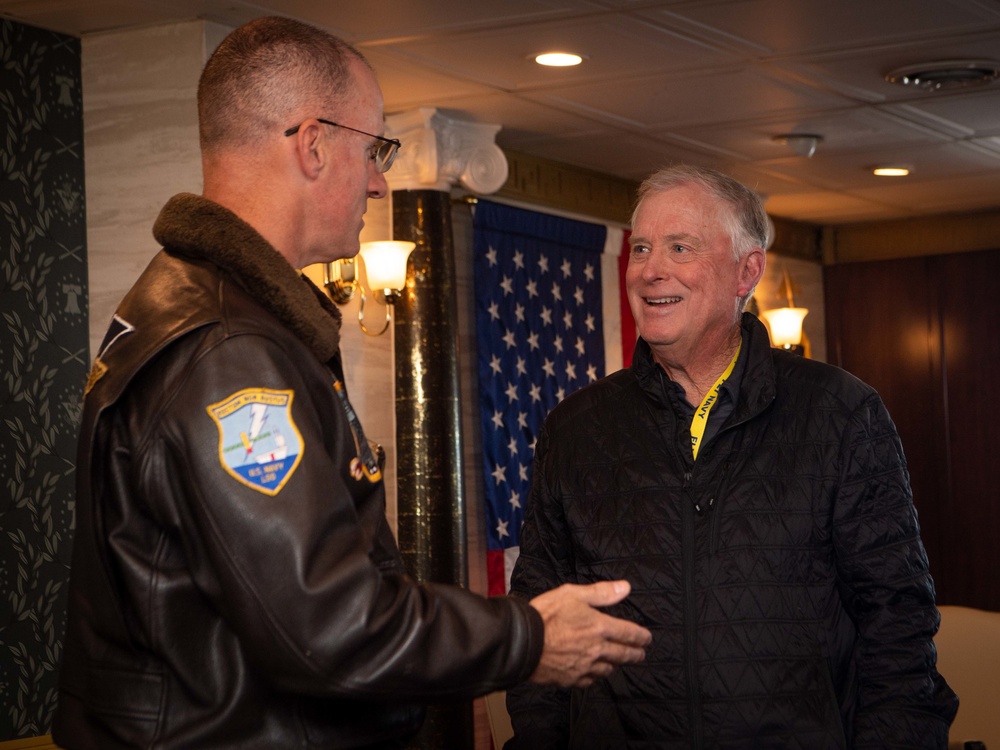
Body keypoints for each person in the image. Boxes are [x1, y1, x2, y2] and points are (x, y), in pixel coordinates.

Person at [52, 17, 651, 749]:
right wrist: (529, 637)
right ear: (312, 144)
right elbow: (326, 626)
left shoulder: (210, 311)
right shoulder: (229, 352)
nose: (378, 180)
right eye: (374, 150)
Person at [505, 164, 958, 748]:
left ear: (747, 271)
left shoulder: (839, 413)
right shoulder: (576, 428)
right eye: (640, 247)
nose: (650, 270)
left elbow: (898, 623)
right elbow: (537, 617)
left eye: (680, 246)